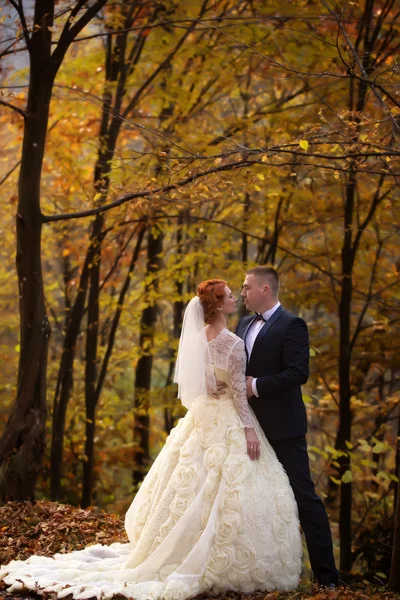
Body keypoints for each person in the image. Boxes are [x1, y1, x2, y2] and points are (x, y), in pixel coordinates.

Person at [0, 279, 302, 600]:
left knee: (194, 480)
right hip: (228, 419)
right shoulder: (232, 342)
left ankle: (181, 545)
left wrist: (214, 386)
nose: (235, 299)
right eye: (230, 296)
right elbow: (240, 394)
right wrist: (249, 429)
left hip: (203, 417)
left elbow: (201, 385)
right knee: (230, 486)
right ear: (217, 305)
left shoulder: (199, 339)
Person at [234, 265, 339, 589]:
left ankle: (328, 579)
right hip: (246, 427)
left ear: (265, 290)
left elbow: (298, 373)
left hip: (282, 429)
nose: (243, 293)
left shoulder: (292, 325)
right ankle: (257, 573)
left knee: (304, 498)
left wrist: (255, 386)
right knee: (251, 500)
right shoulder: (242, 323)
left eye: (247, 287)